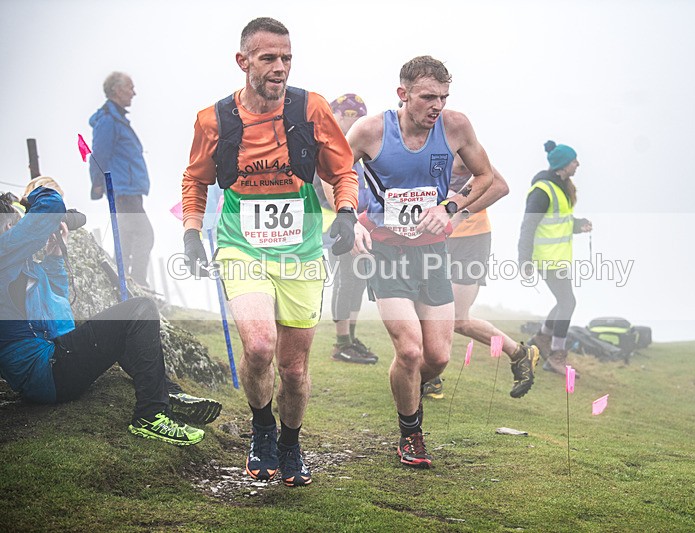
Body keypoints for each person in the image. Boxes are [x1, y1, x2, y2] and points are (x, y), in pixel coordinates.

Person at [180, 17, 359, 487]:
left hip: (301, 254)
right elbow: (195, 180)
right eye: (268, 59)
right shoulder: (213, 120)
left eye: (287, 58)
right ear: (243, 62)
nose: (280, 68)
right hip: (242, 247)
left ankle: (290, 443)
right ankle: (262, 430)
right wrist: (191, 232)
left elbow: (343, 172)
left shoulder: (311, 108)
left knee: (294, 369)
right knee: (259, 347)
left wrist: (345, 213)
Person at [348, 56, 514, 468]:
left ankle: (407, 391)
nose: (436, 105)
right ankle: (411, 433)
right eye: (427, 97)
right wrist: (348, 221)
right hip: (386, 253)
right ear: (403, 95)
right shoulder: (369, 130)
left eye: (443, 96)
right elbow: (331, 173)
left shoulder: (456, 126)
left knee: (436, 357)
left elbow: (487, 177)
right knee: (409, 349)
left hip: (432, 253)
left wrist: (452, 206)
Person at [0, 178, 221, 447]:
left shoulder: (18, 267)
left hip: (48, 370)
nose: (15, 228)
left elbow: (59, 313)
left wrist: (55, 255)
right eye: (11, 224)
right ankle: (150, 415)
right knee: (141, 309)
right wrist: (30, 198)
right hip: (45, 372)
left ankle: (169, 393)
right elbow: (51, 204)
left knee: (124, 327)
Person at [423, 155, 538, 399]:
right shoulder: (420, 148)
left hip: (471, 241)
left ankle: (519, 354)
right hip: (434, 238)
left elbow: (500, 186)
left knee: (457, 319)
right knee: (422, 305)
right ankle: (429, 376)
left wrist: (461, 213)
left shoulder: (462, 150)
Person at [518, 141, 592, 376]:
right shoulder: (543, 189)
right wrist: (524, 259)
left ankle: (541, 337)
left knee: (564, 301)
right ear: (562, 164)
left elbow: (558, 223)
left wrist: (578, 225)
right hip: (545, 258)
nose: (578, 164)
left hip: (556, 258)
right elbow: (528, 225)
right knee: (568, 302)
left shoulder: (560, 188)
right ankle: (556, 355)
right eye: (573, 161)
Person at [321, 94, 378, 365]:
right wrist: (349, 221)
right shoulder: (329, 146)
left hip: (362, 224)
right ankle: (341, 342)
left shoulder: (359, 148)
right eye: (348, 116)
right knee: (345, 280)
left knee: (358, 281)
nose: (353, 122)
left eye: (359, 117)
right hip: (338, 224)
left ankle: (351, 339)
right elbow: (329, 187)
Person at [88, 72, 154, 287]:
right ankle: (138, 282)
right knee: (144, 234)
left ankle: (124, 281)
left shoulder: (117, 119)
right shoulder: (108, 120)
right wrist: (97, 183)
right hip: (122, 189)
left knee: (126, 238)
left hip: (129, 188)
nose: (134, 92)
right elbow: (99, 153)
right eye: (130, 87)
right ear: (116, 90)